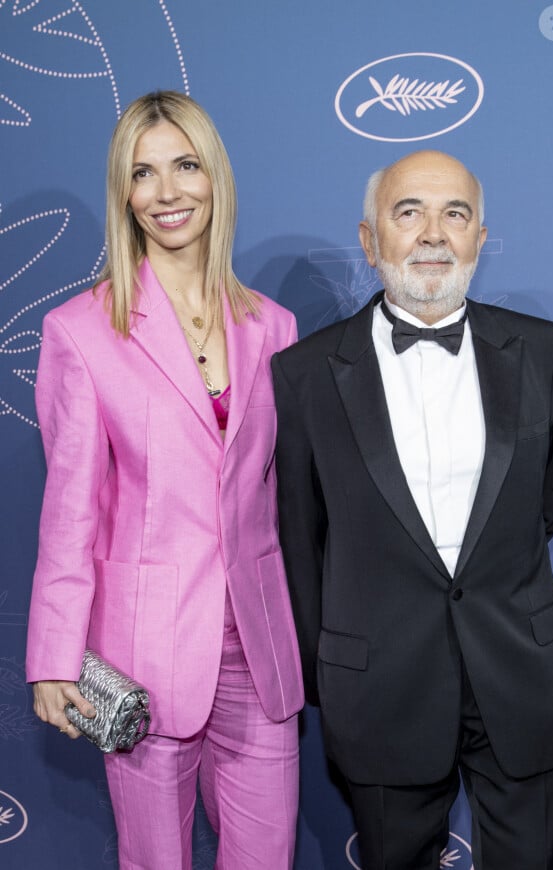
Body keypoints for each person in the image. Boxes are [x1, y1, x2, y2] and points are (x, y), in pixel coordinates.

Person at [271, 150, 553, 870]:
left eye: (455, 214)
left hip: (521, 671)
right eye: (408, 212)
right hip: (380, 684)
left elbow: (547, 496)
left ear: (479, 237)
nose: (433, 234)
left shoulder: (542, 351)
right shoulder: (305, 373)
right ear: (370, 238)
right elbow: (300, 535)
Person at [26, 90, 303, 870]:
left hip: (258, 643)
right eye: (143, 174)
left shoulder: (274, 327)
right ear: (123, 193)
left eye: (185, 166)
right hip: (145, 649)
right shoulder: (82, 331)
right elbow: (69, 509)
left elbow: (280, 497)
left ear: (216, 177)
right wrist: (54, 653)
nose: (167, 192)